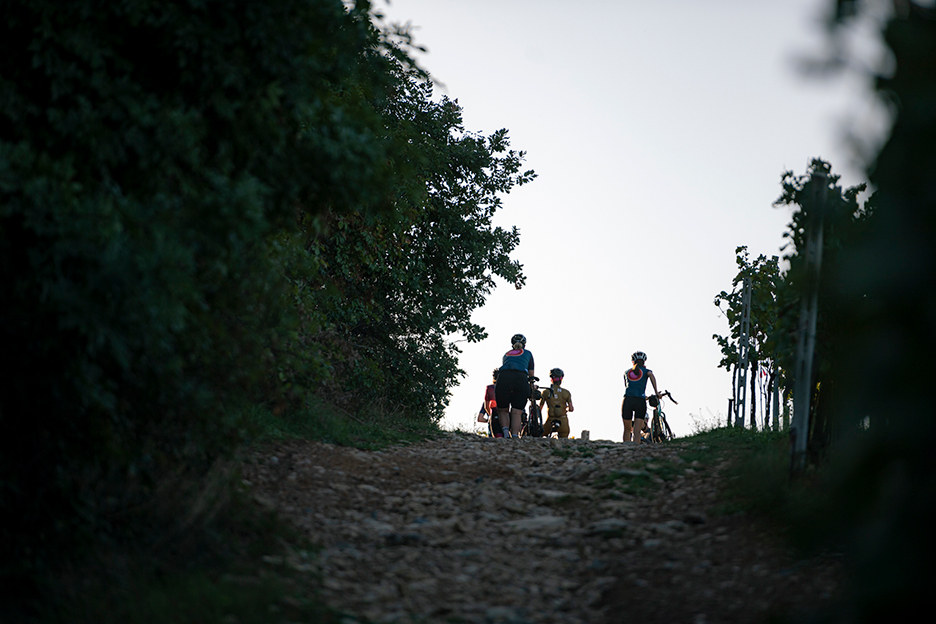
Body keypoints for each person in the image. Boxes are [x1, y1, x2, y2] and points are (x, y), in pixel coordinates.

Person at [495, 334, 534, 438]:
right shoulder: (528, 353)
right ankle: (515, 435)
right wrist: (532, 385)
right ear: (524, 344)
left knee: (503, 409)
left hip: (504, 377)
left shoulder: (506, 354)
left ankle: (505, 433)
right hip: (520, 378)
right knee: (517, 411)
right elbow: (531, 373)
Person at [622, 351, 660, 443]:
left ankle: (626, 448)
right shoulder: (647, 371)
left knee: (627, 429)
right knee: (637, 430)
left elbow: (630, 387)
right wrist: (656, 392)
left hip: (628, 400)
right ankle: (636, 449)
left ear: (633, 361)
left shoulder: (626, 372)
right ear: (644, 361)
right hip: (640, 401)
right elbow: (651, 376)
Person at [539, 367, 574, 438]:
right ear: (561, 379)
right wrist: (566, 409)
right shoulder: (566, 393)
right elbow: (571, 409)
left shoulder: (546, 392)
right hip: (563, 420)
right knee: (564, 439)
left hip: (550, 420)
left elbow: (540, 409)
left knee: (540, 435)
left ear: (551, 379)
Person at [480, 369, 502, 437]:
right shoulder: (507, 389)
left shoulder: (490, 388)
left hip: (493, 414)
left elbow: (486, 407)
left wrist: (490, 416)